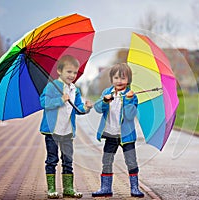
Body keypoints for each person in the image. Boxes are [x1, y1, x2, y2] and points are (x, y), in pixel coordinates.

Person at [39, 55, 92, 199]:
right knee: (52, 159)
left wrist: (86, 108)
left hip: (67, 132)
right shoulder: (52, 85)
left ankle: (68, 188)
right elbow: (43, 102)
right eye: (69, 72)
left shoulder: (75, 89)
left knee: (68, 161)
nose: (72, 75)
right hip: (52, 131)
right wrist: (60, 100)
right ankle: (51, 189)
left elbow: (78, 108)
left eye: (74, 72)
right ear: (59, 71)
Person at [92, 63, 144, 198]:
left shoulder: (132, 96)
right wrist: (104, 100)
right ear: (111, 79)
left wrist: (128, 100)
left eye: (122, 78)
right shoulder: (107, 93)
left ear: (128, 80)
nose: (119, 81)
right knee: (107, 160)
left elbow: (130, 115)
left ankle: (134, 188)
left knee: (131, 161)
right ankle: (105, 188)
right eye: (116, 78)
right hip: (110, 134)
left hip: (126, 136)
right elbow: (98, 108)